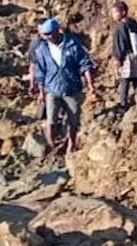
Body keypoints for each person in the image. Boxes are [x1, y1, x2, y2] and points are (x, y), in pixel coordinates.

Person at [30, 18, 95, 154]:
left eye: (49, 34)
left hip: (72, 88)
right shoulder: (42, 49)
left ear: (57, 31)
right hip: (52, 89)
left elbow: (84, 64)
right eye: (45, 34)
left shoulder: (73, 45)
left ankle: (71, 145)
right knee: (51, 120)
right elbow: (39, 72)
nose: (47, 37)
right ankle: (52, 145)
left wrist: (90, 85)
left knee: (73, 121)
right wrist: (41, 93)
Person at [110, 1, 137, 109]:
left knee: (124, 81)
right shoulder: (132, 22)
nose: (113, 15)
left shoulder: (120, 27)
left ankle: (123, 105)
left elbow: (120, 44)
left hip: (127, 57)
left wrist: (118, 59)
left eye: (115, 12)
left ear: (123, 12)